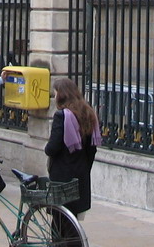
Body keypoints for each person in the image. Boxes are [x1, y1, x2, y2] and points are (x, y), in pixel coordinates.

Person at [44, 78, 102, 231]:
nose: (54, 96)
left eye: (55, 93)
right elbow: (92, 149)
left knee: (59, 222)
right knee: (72, 220)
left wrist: (47, 149)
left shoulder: (62, 116)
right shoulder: (89, 113)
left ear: (61, 95)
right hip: (81, 174)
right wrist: (84, 167)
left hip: (63, 176)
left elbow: (53, 147)